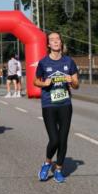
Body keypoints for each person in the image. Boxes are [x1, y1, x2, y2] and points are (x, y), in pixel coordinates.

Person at [33, 32, 79, 183]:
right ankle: (47, 163)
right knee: (54, 140)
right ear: (48, 45)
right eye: (52, 40)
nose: (55, 42)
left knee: (63, 139)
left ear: (61, 42)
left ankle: (59, 169)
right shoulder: (43, 62)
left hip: (65, 104)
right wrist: (44, 83)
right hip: (49, 104)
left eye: (57, 39)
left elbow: (76, 85)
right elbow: (35, 81)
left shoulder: (69, 61)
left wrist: (71, 80)